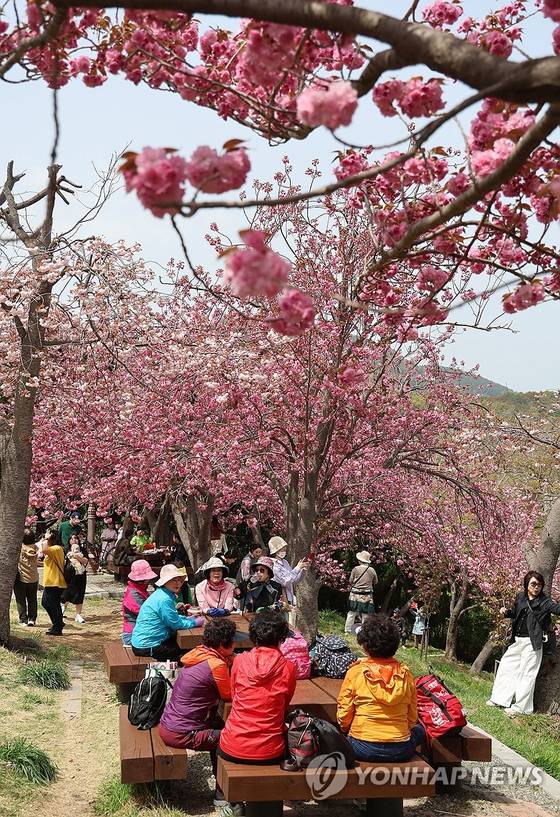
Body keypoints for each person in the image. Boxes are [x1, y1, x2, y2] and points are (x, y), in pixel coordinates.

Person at [159, 618, 240, 814]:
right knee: (227, 739)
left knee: (219, 727)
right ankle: (223, 796)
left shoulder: (198, 654)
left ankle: (222, 784)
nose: (236, 644)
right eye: (234, 641)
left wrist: (229, 658)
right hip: (182, 733)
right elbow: (229, 695)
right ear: (223, 644)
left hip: (169, 724)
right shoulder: (216, 665)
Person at [337, 613, 425, 761]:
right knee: (420, 732)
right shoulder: (405, 673)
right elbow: (412, 716)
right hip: (400, 749)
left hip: (362, 746)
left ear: (364, 645)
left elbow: (344, 714)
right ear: (395, 645)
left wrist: (346, 729)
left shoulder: (356, 672)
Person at [219, 608, 296, 764]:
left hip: (232, 744)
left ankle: (220, 787)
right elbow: (284, 705)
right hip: (270, 749)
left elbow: (235, 697)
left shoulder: (239, 661)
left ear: (253, 636)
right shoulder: (288, 667)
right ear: (282, 638)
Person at [487, 571, 560, 716]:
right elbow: (515, 613)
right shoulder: (521, 597)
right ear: (527, 584)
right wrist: (506, 612)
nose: (536, 587)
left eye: (539, 585)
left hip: (533, 643)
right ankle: (499, 699)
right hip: (517, 640)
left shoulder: (545, 602)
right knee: (506, 667)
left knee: (527, 674)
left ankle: (521, 707)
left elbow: (557, 609)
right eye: (533, 584)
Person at [131, 564, 205, 661]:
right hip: (147, 646)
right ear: (165, 582)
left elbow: (173, 618)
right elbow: (175, 624)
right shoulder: (164, 599)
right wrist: (194, 623)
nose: (177, 583)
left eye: (179, 580)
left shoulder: (161, 594)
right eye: (173, 580)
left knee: (187, 648)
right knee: (190, 654)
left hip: (144, 642)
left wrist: (186, 619)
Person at [268, 536, 310, 627]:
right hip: (279, 599)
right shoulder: (273, 565)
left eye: (284, 548)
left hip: (289, 598)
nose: (284, 551)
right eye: (281, 549)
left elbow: (294, 580)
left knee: (289, 625)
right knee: (280, 624)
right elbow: (285, 581)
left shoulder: (285, 563)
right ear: (275, 550)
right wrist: (297, 567)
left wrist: (303, 569)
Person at [121, 559, 158, 645]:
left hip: (139, 633)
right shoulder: (133, 594)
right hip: (132, 635)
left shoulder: (140, 590)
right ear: (144, 580)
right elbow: (146, 613)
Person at [40, 530, 67, 636]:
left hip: (55, 581)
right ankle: (58, 623)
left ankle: (58, 626)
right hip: (51, 581)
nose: (45, 535)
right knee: (46, 603)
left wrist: (46, 538)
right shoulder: (54, 549)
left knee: (51, 603)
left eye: (48, 533)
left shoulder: (57, 548)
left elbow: (45, 549)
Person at [345, 551, 378, 633]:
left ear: (360, 560)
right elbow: (376, 582)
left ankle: (347, 630)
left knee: (351, 613)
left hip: (354, 594)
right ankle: (363, 632)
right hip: (367, 595)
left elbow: (350, 581)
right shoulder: (372, 570)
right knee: (365, 615)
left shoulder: (355, 569)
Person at [61, 533, 89, 623]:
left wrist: (76, 555)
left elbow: (85, 561)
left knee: (79, 594)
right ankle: (62, 609)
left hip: (80, 575)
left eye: (76, 538)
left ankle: (78, 614)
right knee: (66, 593)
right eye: (72, 538)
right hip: (68, 575)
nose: (74, 540)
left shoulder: (83, 550)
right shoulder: (65, 550)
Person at [14, 529, 39, 627]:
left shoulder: (19, 547)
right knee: (32, 599)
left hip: (22, 578)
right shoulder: (35, 548)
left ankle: (23, 620)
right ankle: (32, 619)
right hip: (33, 578)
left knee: (20, 600)